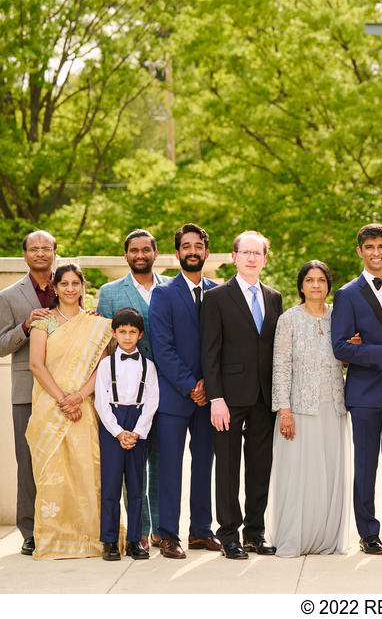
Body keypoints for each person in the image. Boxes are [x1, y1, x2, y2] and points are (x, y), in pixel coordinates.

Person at [330, 224, 382, 556]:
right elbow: (340, 347)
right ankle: (368, 532)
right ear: (360, 252)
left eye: (381, 246)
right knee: (365, 465)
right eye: (369, 247)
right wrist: (381, 352)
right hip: (365, 394)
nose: (376, 252)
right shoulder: (347, 294)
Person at [202, 230, 283, 559]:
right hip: (229, 399)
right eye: (245, 252)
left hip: (265, 398)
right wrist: (216, 398)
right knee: (228, 468)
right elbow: (210, 352)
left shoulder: (274, 297)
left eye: (258, 253)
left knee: (260, 467)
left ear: (265, 258)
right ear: (234, 257)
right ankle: (229, 535)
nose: (252, 258)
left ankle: (254, 533)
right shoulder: (217, 297)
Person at [25, 263, 113, 559]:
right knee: (52, 472)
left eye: (76, 283)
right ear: (55, 287)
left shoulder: (96, 325)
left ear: (82, 286)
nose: (71, 289)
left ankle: (90, 539)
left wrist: (78, 397)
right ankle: (53, 540)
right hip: (50, 408)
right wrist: (63, 399)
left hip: (83, 408)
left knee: (86, 471)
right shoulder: (43, 322)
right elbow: (36, 365)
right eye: (65, 284)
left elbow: (102, 367)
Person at [267, 260, 350, 557]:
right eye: (310, 280)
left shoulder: (339, 317)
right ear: (301, 286)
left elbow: (344, 359)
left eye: (321, 280)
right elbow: (281, 367)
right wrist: (284, 411)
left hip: (334, 406)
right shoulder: (289, 319)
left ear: (328, 285)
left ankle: (326, 537)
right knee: (300, 476)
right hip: (300, 409)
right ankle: (297, 537)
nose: (316, 285)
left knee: (328, 473)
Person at [96, 228, 171, 551]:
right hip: (124, 389)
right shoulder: (110, 292)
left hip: (165, 386)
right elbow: (101, 341)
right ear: (125, 255)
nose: (140, 255)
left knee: (160, 460)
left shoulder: (171, 288)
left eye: (146, 249)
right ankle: (137, 531)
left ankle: (161, 528)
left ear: (155, 253)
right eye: (134, 250)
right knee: (130, 463)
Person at [150, 223, 221, 558]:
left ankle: (200, 531)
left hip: (210, 399)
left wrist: (209, 384)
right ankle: (168, 534)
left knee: (205, 464)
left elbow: (224, 344)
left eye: (198, 246)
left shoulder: (220, 292)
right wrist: (191, 385)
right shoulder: (163, 294)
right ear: (177, 253)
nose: (192, 251)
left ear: (206, 251)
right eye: (186, 246)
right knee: (169, 467)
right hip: (174, 398)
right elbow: (162, 347)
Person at [0, 230, 57, 556]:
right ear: (25, 254)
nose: (41, 253)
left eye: (46, 248)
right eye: (35, 248)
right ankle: (30, 531)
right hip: (26, 393)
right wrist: (24, 327)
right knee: (28, 463)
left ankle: (62, 525)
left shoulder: (70, 286)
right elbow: (0, 346)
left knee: (65, 460)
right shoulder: (9, 296)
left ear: (55, 252)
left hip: (65, 390)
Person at [94, 307, 159, 561]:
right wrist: (120, 432)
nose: (128, 337)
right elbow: (101, 401)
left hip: (138, 426)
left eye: (133, 332)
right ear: (114, 333)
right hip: (113, 425)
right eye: (123, 332)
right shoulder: (105, 366)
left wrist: (137, 431)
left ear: (140, 334)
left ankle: (135, 540)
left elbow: (152, 401)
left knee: (135, 488)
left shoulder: (149, 366)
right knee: (110, 486)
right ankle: (109, 541)